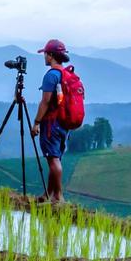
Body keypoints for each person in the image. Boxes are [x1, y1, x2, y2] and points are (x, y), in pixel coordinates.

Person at [30, 39, 72, 204]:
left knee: (53, 159)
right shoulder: (66, 73)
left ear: (51, 55)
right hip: (64, 124)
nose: (44, 57)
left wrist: (36, 122)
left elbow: (45, 102)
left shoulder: (51, 75)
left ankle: (58, 196)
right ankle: (48, 194)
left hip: (51, 124)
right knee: (54, 158)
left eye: (45, 54)